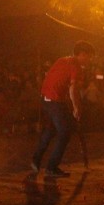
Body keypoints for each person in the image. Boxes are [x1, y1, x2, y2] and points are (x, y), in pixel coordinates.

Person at [31, 41, 95, 177]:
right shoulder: (76, 67)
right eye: (89, 56)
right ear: (82, 54)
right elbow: (73, 89)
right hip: (54, 100)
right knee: (64, 132)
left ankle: (36, 160)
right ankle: (51, 168)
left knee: (51, 129)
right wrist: (77, 108)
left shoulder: (62, 60)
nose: (90, 59)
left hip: (47, 98)